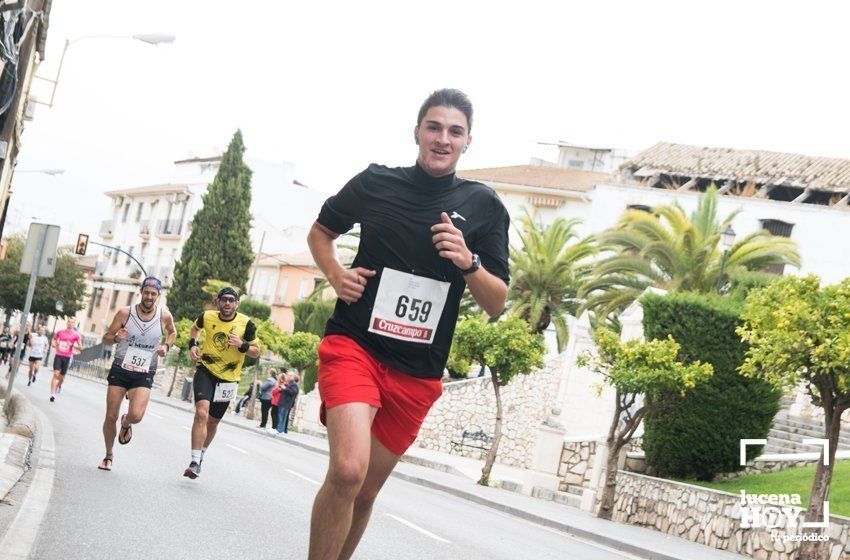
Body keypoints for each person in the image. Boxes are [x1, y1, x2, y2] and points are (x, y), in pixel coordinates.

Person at [305, 88, 509, 559]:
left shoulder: (483, 205)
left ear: (467, 142)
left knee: (366, 492)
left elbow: (496, 301)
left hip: (418, 371)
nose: (442, 138)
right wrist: (336, 275)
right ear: (416, 131)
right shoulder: (377, 182)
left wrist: (469, 260)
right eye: (433, 127)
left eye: (454, 131)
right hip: (356, 344)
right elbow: (321, 232)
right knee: (348, 471)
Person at [97, 277, 176, 471]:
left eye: (153, 294)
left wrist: (166, 346)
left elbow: (172, 333)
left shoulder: (164, 316)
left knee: (137, 415)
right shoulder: (125, 313)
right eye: (146, 292)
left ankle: (127, 422)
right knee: (110, 416)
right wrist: (116, 337)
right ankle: (108, 454)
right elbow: (105, 339)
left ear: (158, 295)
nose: (149, 297)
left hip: (144, 371)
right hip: (121, 368)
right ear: (141, 292)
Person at [184, 286, 260, 479]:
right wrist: (193, 345)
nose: (227, 303)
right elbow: (195, 329)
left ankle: (201, 455)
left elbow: (256, 351)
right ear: (218, 302)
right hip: (206, 371)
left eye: (231, 300)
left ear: (236, 303)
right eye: (224, 299)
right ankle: (193, 461)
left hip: (228, 379)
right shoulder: (207, 317)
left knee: (213, 421)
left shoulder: (246, 323)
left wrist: (242, 345)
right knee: (201, 413)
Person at [50, 319, 82, 402]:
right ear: (66, 323)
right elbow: (53, 339)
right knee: (56, 374)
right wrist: (53, 343)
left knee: (62, 378)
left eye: (72, 322)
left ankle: (58, 386)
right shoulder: (60, 332)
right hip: (59, 355)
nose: (70, 323)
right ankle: (52, 393)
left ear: (74, 324)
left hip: (67, 357)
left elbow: (80, 347)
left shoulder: (76, 335)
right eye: (69, 322)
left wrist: (72, 345)